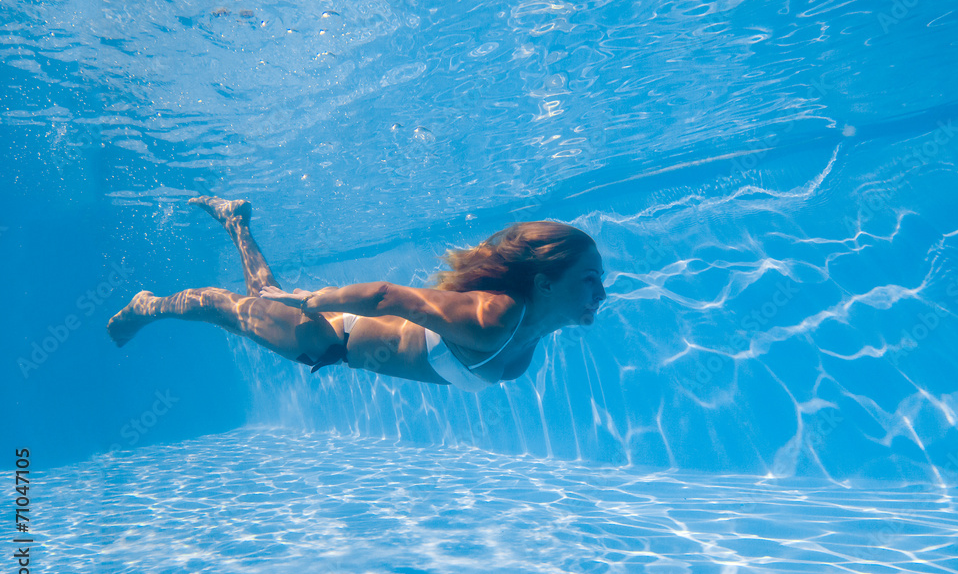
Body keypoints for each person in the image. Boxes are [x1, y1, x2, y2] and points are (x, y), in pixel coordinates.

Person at [107, 196, 606, 392]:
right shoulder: (495, 318)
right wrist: (317, 302)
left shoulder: (530, 330)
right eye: (589, 280)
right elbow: (390, 297)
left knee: (259, 294)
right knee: (226, 308)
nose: (600, 293)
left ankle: (235, 219)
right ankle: (147, 306)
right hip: (330, 336)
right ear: (544, 283)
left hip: (335, 343)